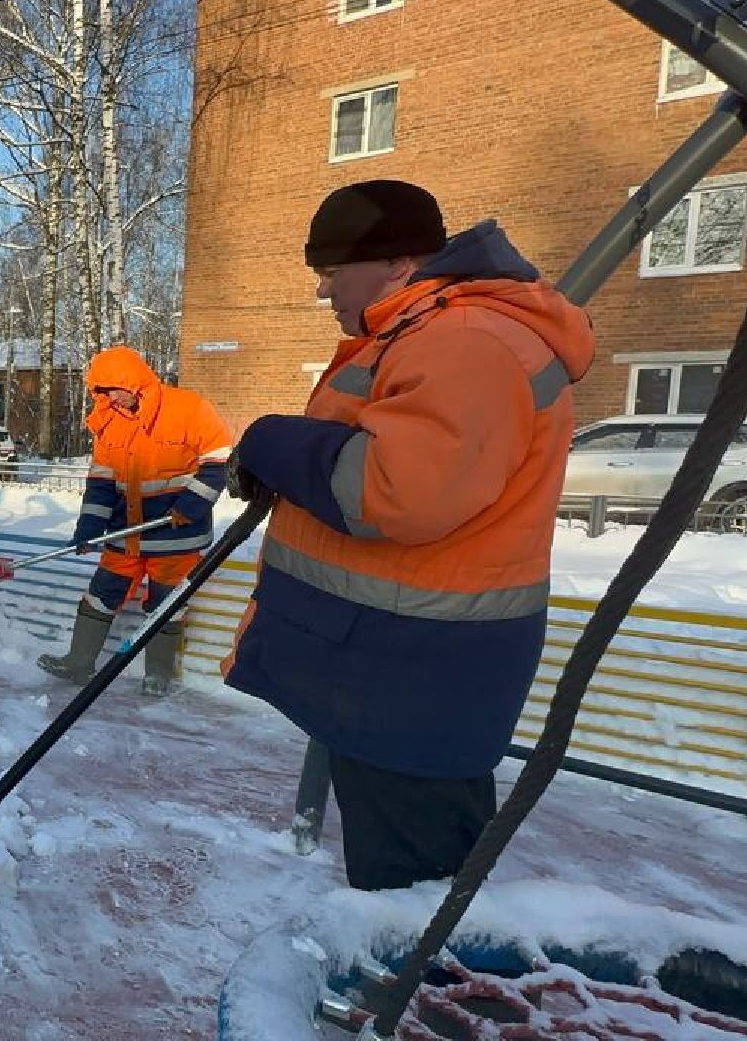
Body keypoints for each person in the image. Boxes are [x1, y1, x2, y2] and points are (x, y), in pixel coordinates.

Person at [220, 179, 595, 891]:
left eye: (333, 271)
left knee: (418, 892)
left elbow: (397, 492)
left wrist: (271, 442)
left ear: (397, 263)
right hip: (396, 669)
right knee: (402, 873)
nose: (324, 290)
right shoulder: (428, 333)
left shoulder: (466, 340)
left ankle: (428, 968)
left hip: (418, 678)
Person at [37, 346, 233, 696]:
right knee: (100, 594)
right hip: (126, 535)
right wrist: (89, 529)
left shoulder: (188, 408)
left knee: (166, 605)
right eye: (102, 392)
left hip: (176, 534)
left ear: (133, 382)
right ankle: (78, 663)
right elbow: (101, 483)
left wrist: (191, 505)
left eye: (114, 389)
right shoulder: (108, 422)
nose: (110, 399)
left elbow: (220, 461)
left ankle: (158, 675)